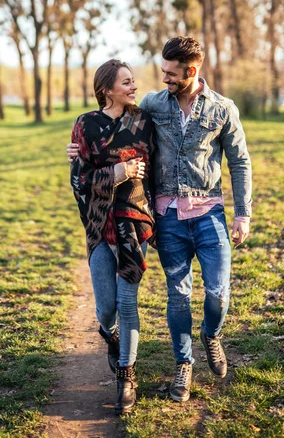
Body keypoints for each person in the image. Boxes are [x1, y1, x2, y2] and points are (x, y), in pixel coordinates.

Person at [68, 36, 252, 404]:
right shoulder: (149, 106)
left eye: (170, 73)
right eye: (161, 71)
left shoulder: (216, 109)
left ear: (191, 71)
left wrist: (243, 213)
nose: (160, 79)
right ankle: (177, 363)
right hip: (149, 220)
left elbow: (240, 160)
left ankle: (203, 340)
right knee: (167, 298)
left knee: (217, 292)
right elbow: (90, 155)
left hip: (197, 214)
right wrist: (79, 153)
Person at [69, 58, 155, 415]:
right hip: (99, 224)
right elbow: (78, 180)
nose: (133, 87)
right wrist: (118, 171)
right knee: (106, 309)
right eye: (126, 82)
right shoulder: (86, 125)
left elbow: (159, 169)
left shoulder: (144, 122)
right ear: (106, 89)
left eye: (133, 81)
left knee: (129, 301)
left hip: (135, 221)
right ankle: (111, 336)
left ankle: (127, 375)